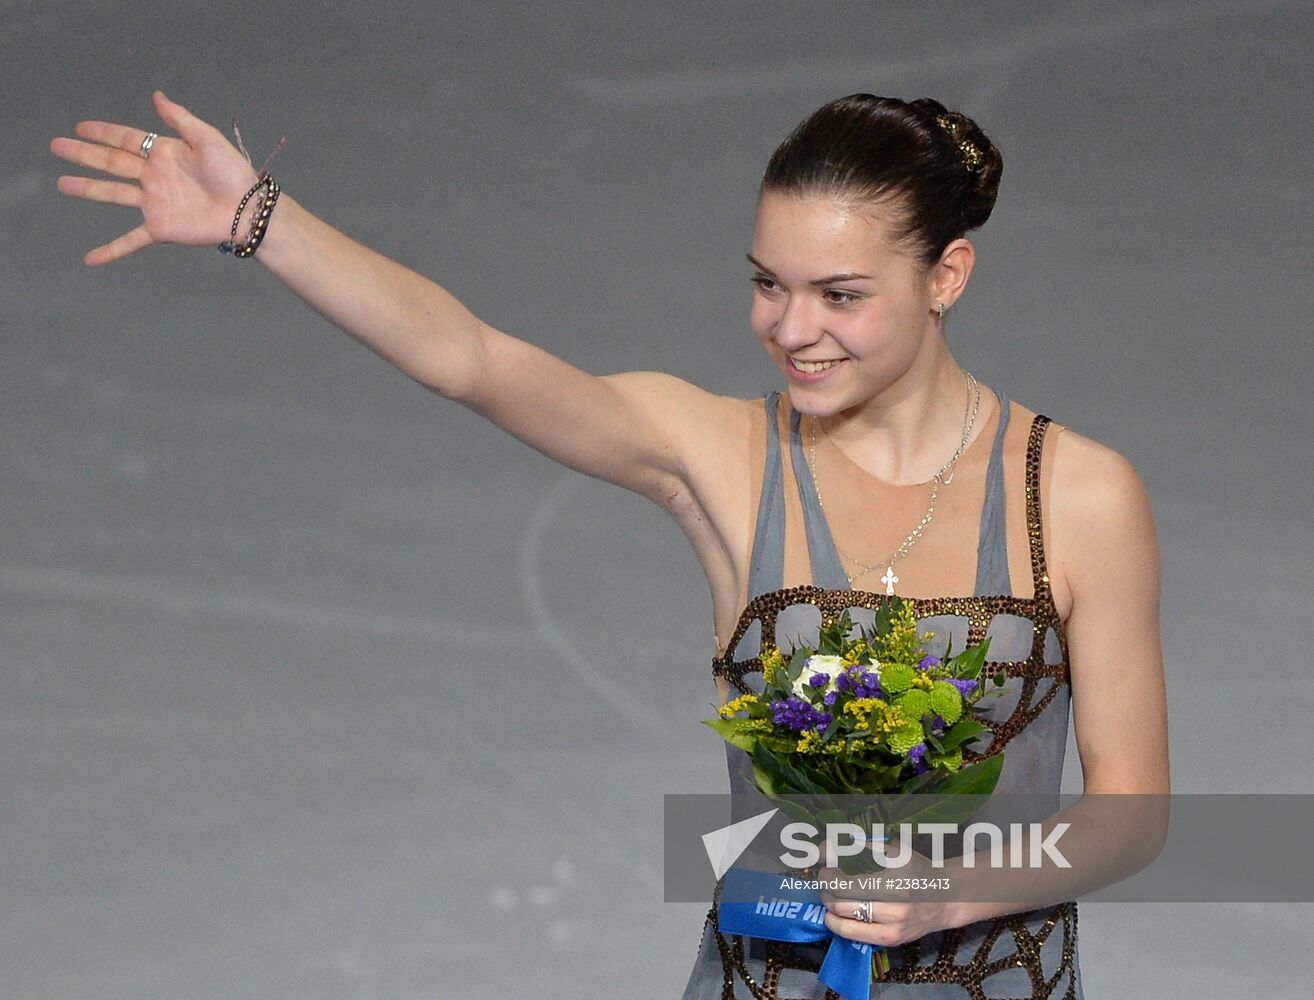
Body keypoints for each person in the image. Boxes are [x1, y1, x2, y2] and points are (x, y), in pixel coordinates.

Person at [51, 91, 1169, 998]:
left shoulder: (1074, 495)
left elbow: (1132, 811)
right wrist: (262, 219)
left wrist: (952, 894)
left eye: (840, 294)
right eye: (768, 285)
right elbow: (474, 359)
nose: (791, 328)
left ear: (947, 278)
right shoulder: (722, 456)